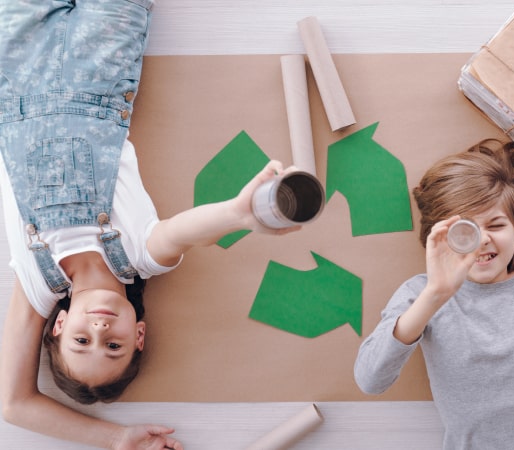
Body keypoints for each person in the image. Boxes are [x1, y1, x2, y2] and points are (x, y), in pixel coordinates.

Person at [0, 1, 299, 449]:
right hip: (98, 69)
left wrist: (116, 439)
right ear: (137, 334)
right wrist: (240, 214)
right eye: (114, 347)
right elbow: (182, 231)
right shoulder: (138, 257)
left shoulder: (38, 282)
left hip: (12, 71)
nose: (99, 333)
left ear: (58, 326)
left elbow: (13, 404)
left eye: (81, 340)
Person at [354, 139, 514, 449]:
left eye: (496, 224)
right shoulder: (419, 295)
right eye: (465, 231)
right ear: (437, 238)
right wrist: (435, 295)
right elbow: (371, 380)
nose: (482, 241)